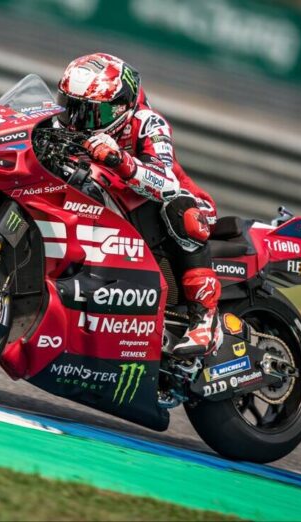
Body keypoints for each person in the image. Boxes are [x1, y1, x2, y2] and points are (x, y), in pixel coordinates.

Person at [56, 53, 223, 357]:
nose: (76, 121)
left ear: (119, 108)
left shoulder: (148, 123)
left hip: (188, 207)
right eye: (71, 107)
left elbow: (167, 182)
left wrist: (119, 160)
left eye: (89, 113)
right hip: (120, 209)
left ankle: (204, 320)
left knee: (182, 211)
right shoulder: (68, 125)